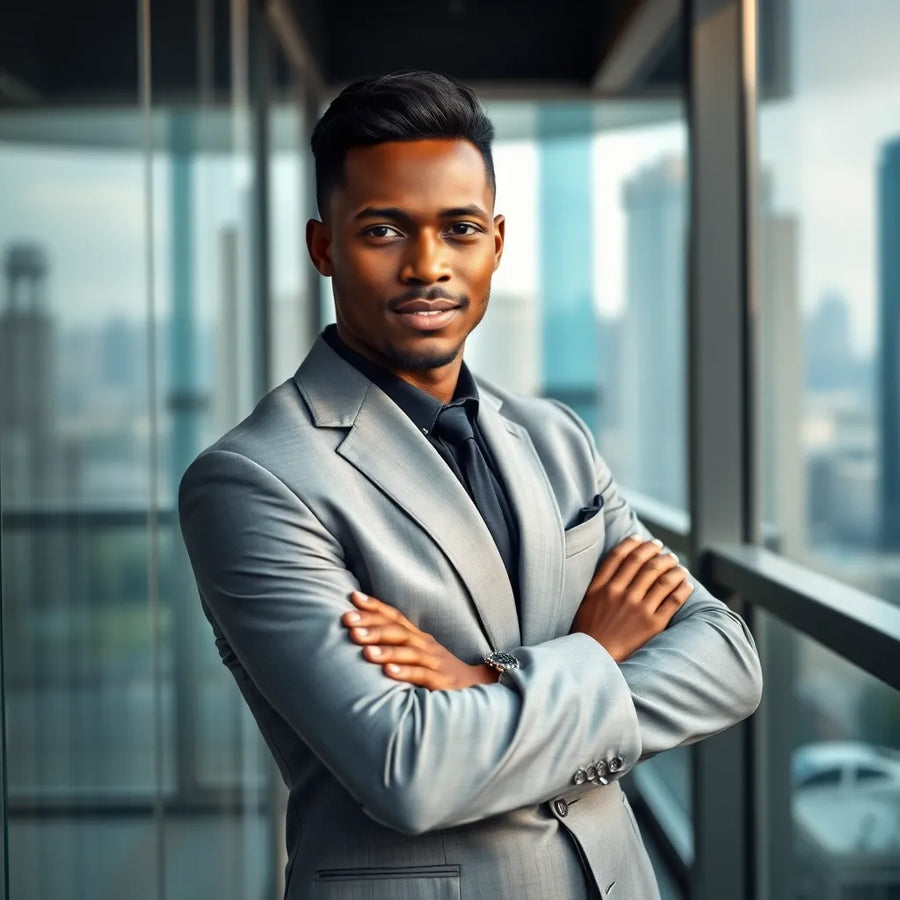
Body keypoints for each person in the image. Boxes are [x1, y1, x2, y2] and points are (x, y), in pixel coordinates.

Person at [179, 70, 762, 900]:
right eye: (384, 230)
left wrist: (487, 682)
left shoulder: (557, 438)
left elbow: (728, 661)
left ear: (496, 241)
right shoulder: (253, 481)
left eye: (459, 229)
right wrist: (597, 652)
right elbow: (409, 769)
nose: (428, 266)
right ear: (323, 247)